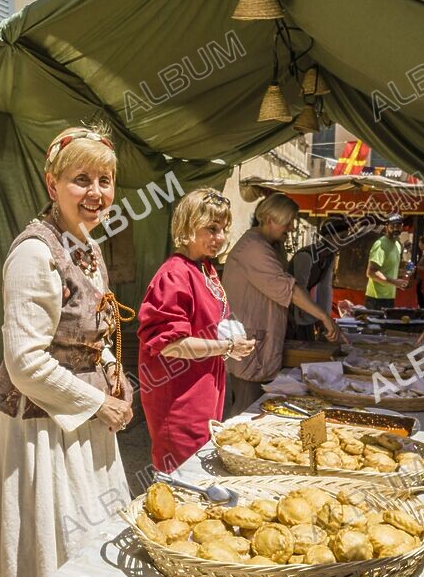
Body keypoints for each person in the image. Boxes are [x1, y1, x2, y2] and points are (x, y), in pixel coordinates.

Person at [0, 126, 134, 577]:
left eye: (105, 181)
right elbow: (25, 361)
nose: (96, 193)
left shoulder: (87, 248)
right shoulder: (35, 253)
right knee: (54, 540)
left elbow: (92, 334)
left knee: (91, 531)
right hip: (40, 428)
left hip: (81, 417)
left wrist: (115, 374)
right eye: (81, 179)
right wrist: (98, 401)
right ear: (52, 185)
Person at [138, 189, 254, 472]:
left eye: (224, 229)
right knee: (182, 473)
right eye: (212, 229)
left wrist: (230, 339)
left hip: (205, 389)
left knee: (200, 468)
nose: (221, 238)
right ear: (189, 225)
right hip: (179, 395)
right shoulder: (174, 274)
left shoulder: (205, 269)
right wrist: (226, 347)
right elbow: (170, 344)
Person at [222, 193, 340, 413]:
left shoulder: (264, 245)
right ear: (269, 219)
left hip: (260, 342)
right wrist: (324, 316)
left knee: (255, 407)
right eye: (288, 222)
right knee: (246, 410)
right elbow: (291, 290)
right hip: (251, 346)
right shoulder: (253, 248)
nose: (291, 228)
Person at [287, 218, 351, 341]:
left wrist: (325, 316)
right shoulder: (306, 256)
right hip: (291, 307)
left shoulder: (329, 257)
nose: (344, 241)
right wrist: (318, 316)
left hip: (304, 306)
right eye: (341, 237)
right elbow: (299, 289)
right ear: (328, 236)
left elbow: (324, 288)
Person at [365, 212, 409, 311]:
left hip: (389, 297)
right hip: (376, 298)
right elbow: (371, 272)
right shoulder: (381, 244)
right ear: (386, 227)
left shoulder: (397, 244)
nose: (396, 228)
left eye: (398, 226)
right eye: (392, 226)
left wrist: (404, 271)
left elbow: (389, 269)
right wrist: (394, 282)